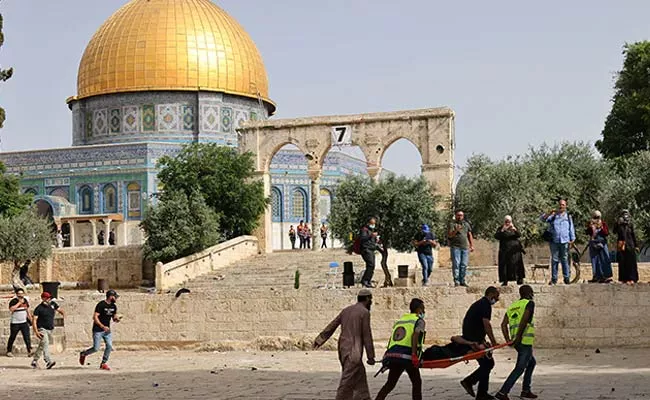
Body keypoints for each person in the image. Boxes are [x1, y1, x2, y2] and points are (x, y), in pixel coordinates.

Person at [313, 289, 376, 400]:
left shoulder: (346, 310)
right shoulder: (364, 312)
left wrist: (320, 339)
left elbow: (332, 325)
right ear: (367, 298)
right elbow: (367, 335)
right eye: (370, 299)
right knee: (347, 380)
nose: (371, 302)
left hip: (343, 348)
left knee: (359, 376)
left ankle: (364, 398)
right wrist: (371, 356)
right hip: (354, 350)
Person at [376, 298, 426, 400]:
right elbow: (416, 334)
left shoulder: (401, 320)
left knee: (390, 384)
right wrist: (414, 354)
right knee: (417, 382)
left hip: (394, 355)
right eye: (423, 309)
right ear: (418, 309)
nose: (424, 311)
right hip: (407, 356)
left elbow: (393, 339)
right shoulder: (419, 321)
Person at [495, 285, 538, 400]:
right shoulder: (529, 304)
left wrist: (508, 339)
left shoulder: (512, 306)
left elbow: (503, 324)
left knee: (531, 363)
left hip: (516, 342)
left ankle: (526, 390)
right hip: (524, 340)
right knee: (520, 368)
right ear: (529, 293)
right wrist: (519, 337)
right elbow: (524, 319)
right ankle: (503, 392)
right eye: (532, 292)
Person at [459, 286, 500, 400]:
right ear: (491, 294)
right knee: (488, 364)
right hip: (473, 340)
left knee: (486, 363)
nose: (497, 300)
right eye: (496, 297)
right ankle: (469, 381)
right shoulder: (485, 305)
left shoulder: (480, 304)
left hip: (474, 337)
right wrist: (493, 341)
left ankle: (482, 393)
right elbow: (486, 324)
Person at [79, 289, 121, 370]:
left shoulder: (114, 306)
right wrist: (102, 326)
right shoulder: (101, 305)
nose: (116, 299)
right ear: (110, 297)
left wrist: (117, 319)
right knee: (96, 348)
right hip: (98, 330)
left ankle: (103, 363)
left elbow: (114, 317)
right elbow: (95, 317)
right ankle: (84, 354)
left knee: (109, 346)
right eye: (115, 297)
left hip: (107, 331)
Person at [541, 198, 576, 285]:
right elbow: (542, 219)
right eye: (560, 204)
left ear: (566, 206)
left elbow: (571, 228)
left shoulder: (568, 216)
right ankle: (554, 279)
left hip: (565, 241)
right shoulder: (553, 216)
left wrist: (572, 239)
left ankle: (566, 278)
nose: (561, 206)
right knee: (555, 259)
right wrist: (550, 213)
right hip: (554, 241)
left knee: (564, 259)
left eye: (563, 205)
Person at [31, 291, 64, 369]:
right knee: (45, 343)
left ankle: (34, 361)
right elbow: (34, 320)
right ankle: (48, 361)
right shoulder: (38, 308)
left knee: (42, 345)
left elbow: (60, 310)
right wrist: (36, 331)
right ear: (43, 298)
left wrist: (64, 315)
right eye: (47, 298)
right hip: (42, 329)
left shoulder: (53, 304)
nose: (49, 299)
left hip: (50, 329)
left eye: (49, 298)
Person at [494, 216, 525, 286]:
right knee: (505, 266)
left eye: (509, 221)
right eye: (506, 221)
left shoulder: (513, 228)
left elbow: (519, 235)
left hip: (514, 250)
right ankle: (505, 280)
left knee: (516, 265)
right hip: (504, 251)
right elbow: (496, 236)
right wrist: (503, 230)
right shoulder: (501, 228)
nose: (508, 223)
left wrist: (515, 229)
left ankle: (519, 279)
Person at [448, 210, 474, 287]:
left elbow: (469, 234)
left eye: (461, 215)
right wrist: (456, 230)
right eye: (458, 215)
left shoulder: (466, 224)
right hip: (455, 247)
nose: (460, 217)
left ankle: (462, 280)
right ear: (456, 216)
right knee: (456, 264)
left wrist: (471, 245)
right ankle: (456, 280)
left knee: (464, 264)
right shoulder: (452, 224)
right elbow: (449, 235)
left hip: (464, 247)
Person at [586, 211, 613, 283]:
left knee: (604, 259)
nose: (597, 219)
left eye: (598, 217)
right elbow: (587, 232)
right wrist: (590, 226)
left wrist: (601, 227)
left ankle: (606, 276)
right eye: (595, 217)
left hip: (602, 243)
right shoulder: (591, 224)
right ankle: (597, 276)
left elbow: (606, 233)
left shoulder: (603, 224)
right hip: (593, 243)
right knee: (595, 260)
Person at [614, 210, 639, 284]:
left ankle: (632, 278)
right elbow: (614, 231)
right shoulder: (619, 225)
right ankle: (623, 278)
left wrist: (636, 245)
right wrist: (617, 223)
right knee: (622, 262)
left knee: (631, 262)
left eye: (626, 214)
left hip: (630, 245)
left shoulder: (630, 225)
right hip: (621, 245)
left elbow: (633, 235)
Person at [6, 288, 32, 357]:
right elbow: (11, 309)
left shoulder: (25, 300)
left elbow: (27, 310)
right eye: (19, 294)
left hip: (24, 322)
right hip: (15, 322)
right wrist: (19, 303)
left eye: (22, 294)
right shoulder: (13, 301)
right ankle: (9, 351)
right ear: (17, 294)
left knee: (27, 337)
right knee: (12, 337)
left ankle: (29, 351)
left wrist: (30, 319)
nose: (21, 295)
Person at [360, 217, 381, 288]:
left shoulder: (371, 230)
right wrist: (371, 235)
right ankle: (365, 280)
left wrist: (376, 240)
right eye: (372, 223)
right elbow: (363, 238)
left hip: (371, 250)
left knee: (372, 266)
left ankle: (367, 281)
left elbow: (371, 240)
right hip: (366, 250)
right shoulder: (364, 230)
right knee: (371, 265)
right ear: (368, 223)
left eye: (374, 224)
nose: (373, 225)